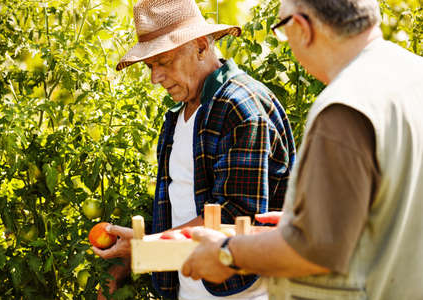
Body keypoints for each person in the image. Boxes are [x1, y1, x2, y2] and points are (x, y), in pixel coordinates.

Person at [181, 0, 423, 299]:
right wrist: (312, 217)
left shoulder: (344, 107)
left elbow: (316, 248)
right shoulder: (413, 75)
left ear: (302, 27)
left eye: (282, 29)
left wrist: (226, 254)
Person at [92, 0, 296, 299]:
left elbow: (233, 216)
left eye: (164, 62)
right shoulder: (179, 115)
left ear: (201, 46)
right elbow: (187, 210)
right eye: (150, 66)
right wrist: (138, 247)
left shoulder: (240, 106)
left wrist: (145, 246)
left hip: (243, 292)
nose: (154, 77)